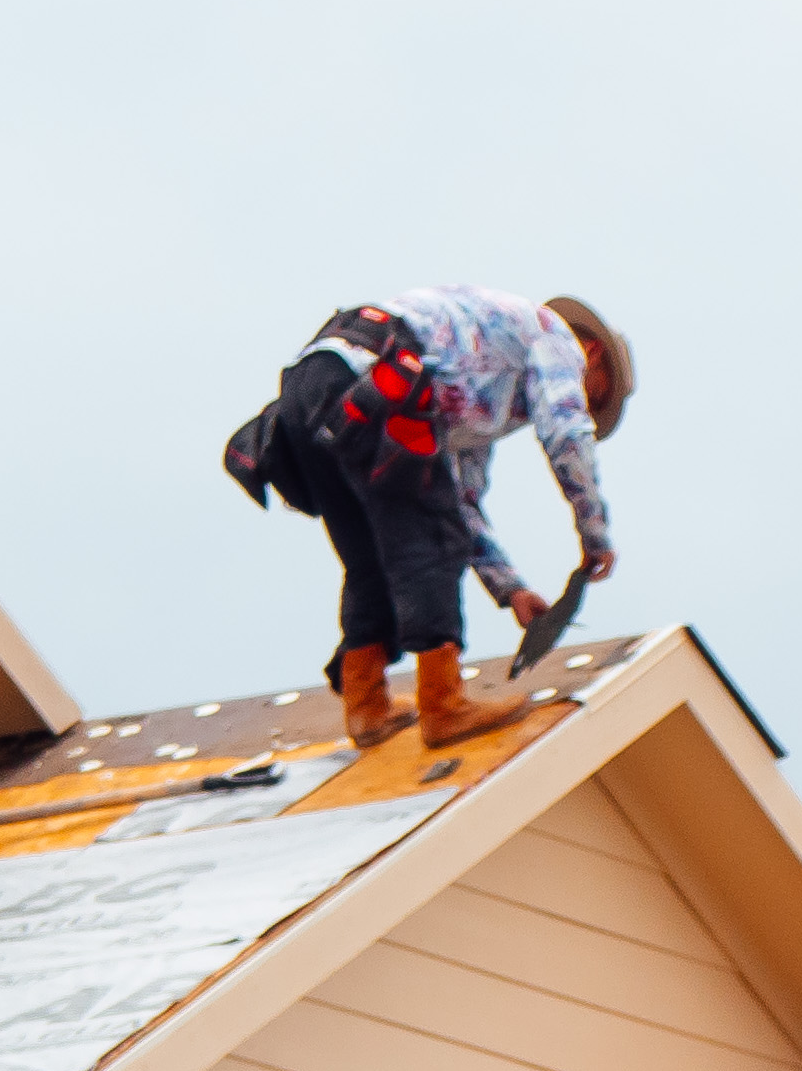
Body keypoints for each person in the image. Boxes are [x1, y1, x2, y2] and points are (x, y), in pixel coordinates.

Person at [227, 290, 631, 751]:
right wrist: (594, 533)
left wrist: (510, 589)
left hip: (316, 387)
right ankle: (444, 705)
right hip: (377, 379)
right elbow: (567, 436)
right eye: (595, 395)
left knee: (371, 552)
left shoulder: (479, 381)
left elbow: (461, 502)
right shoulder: (554, 336)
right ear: (591, 352)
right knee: (432, 540)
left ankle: (366, 704)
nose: (587, 407)